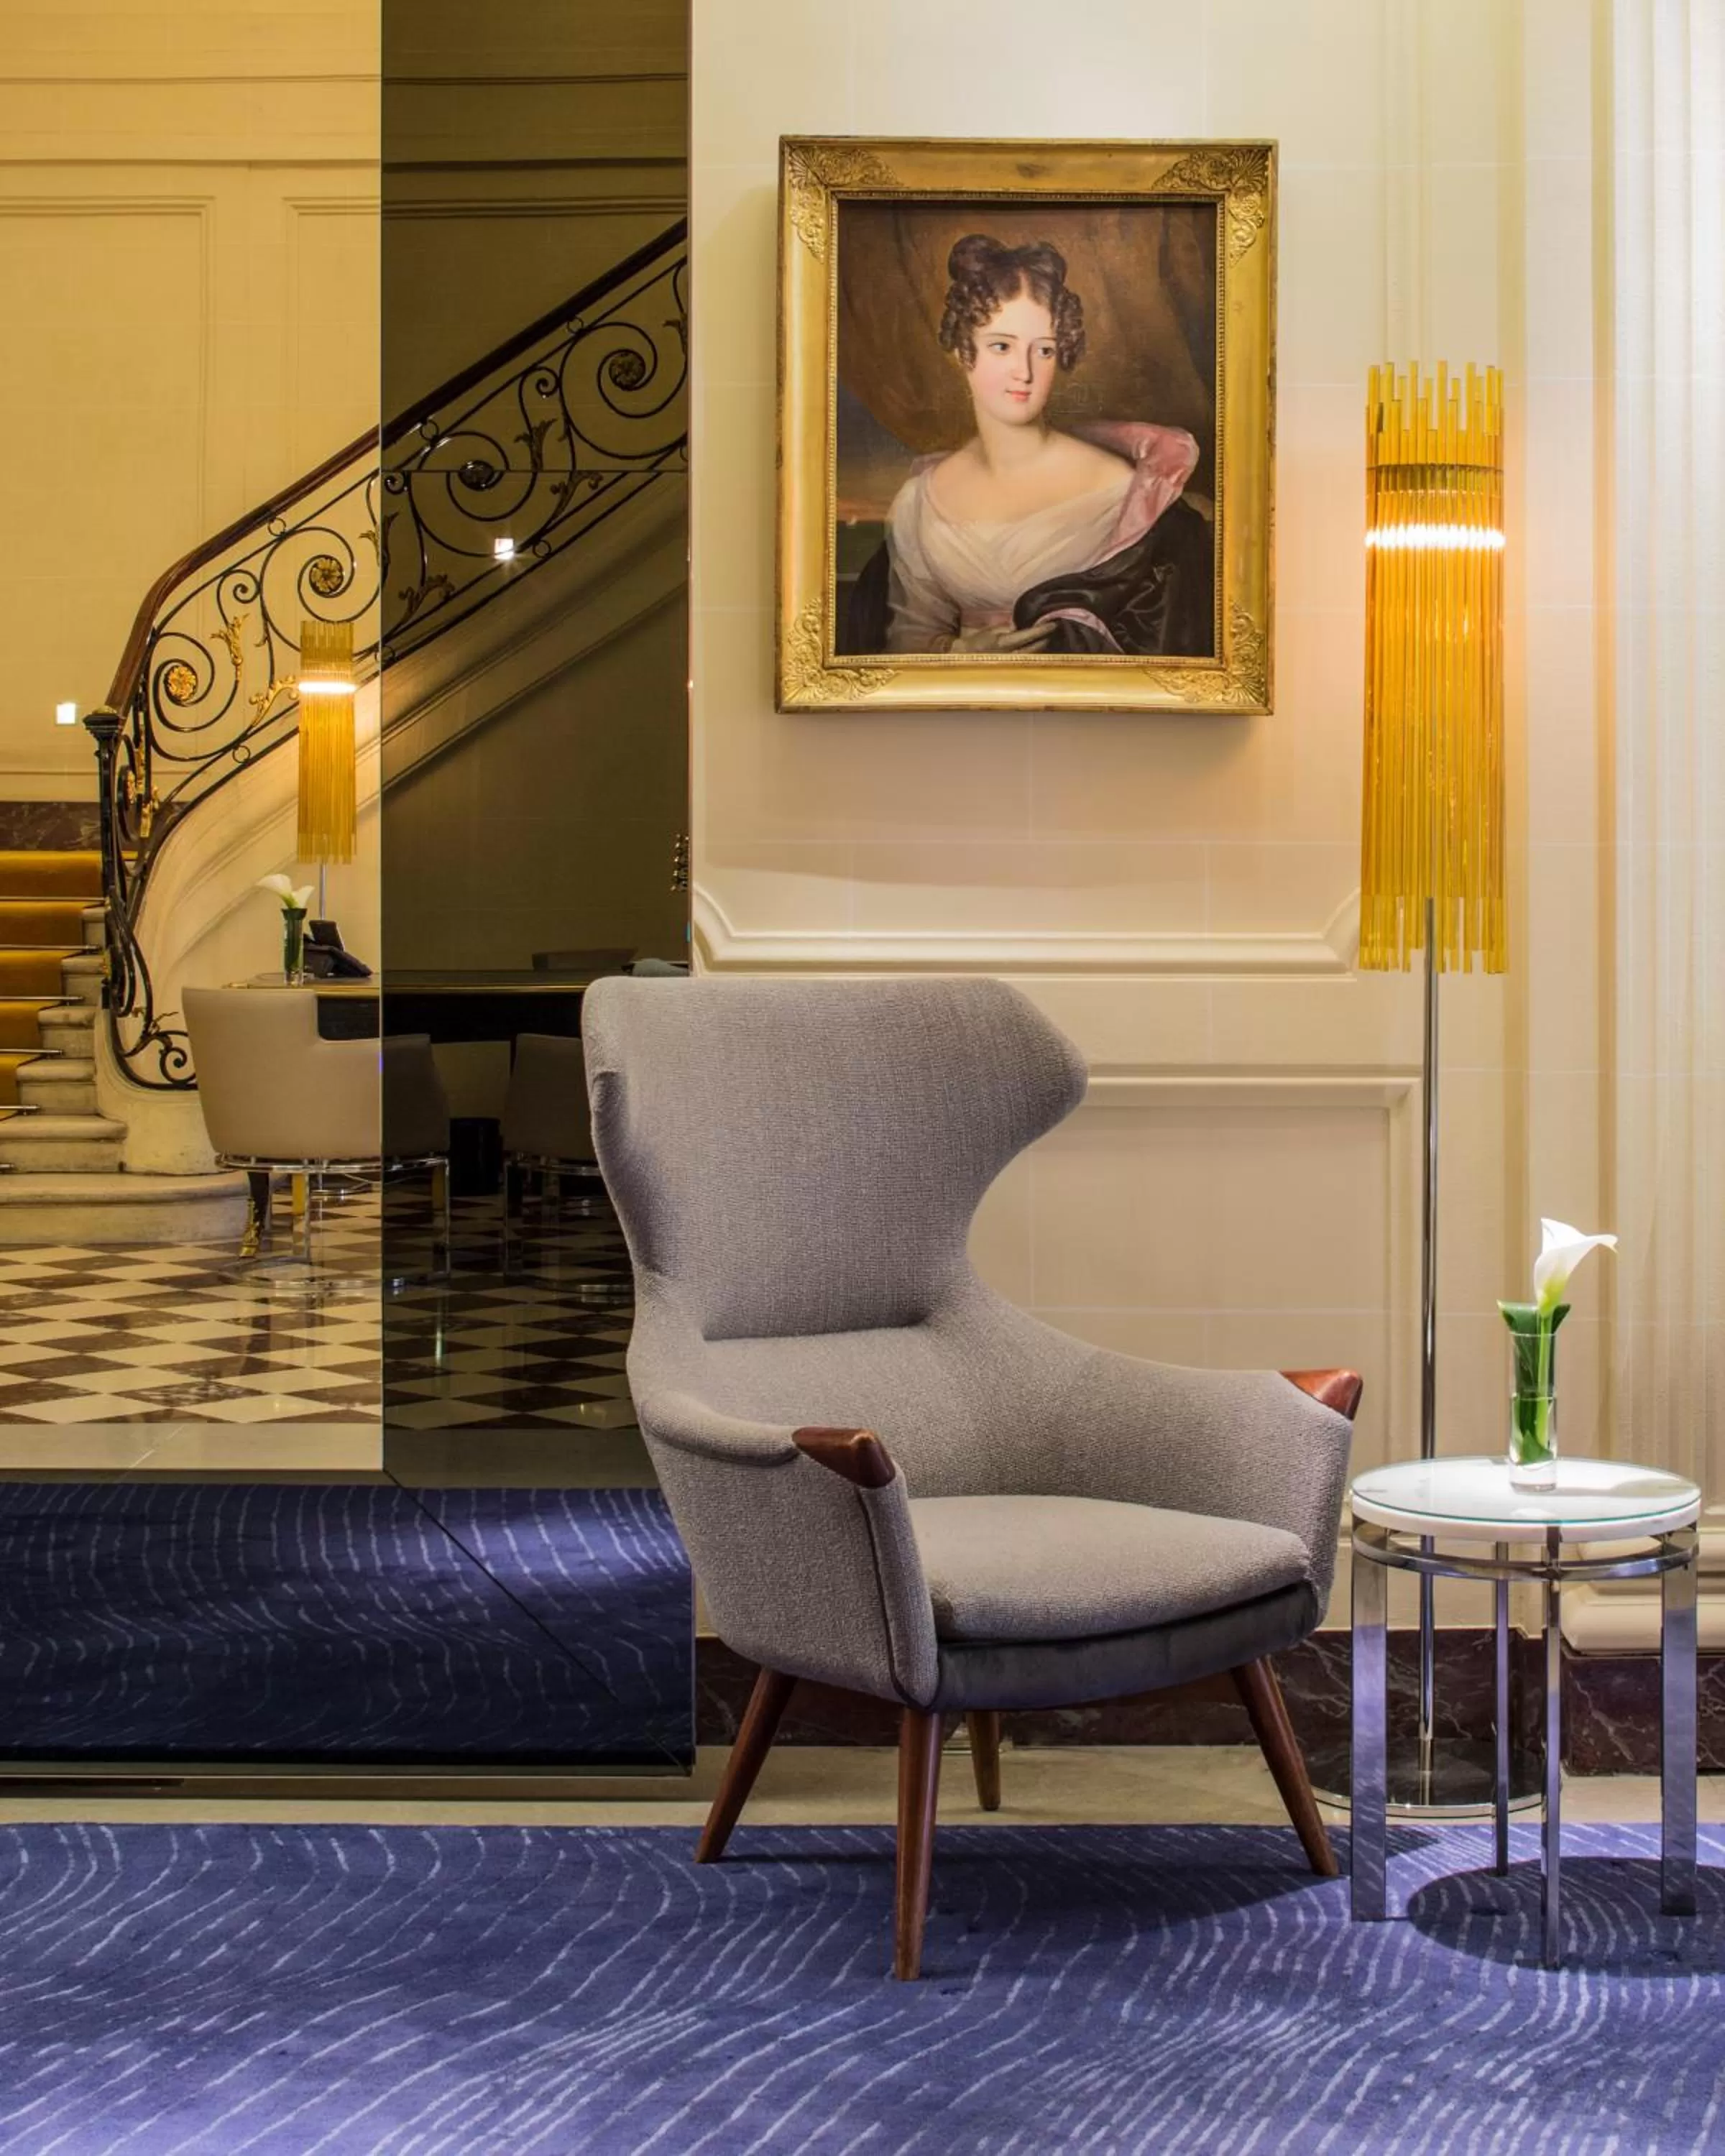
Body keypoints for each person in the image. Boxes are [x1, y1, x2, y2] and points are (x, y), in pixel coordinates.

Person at [853, 234, 1214, 659]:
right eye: (1001, 347)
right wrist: (961, 653)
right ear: (961, 350)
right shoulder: (920, 500)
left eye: (1042, 350)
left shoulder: (1128, 494)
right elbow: (907, 644)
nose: (1023, 372)